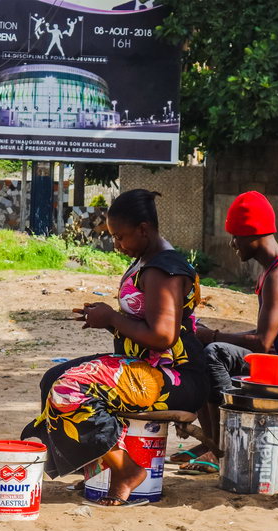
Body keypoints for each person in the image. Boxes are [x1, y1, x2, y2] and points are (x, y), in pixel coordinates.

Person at [21, 189, 208, 506]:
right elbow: (143, 324)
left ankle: (125, 470)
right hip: (145, 368)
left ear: (144, 229)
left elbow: (162, 336)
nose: (117, 245)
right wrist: (106, 319)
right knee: (54, 377)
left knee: (69, 390)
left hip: (172, 378)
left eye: (121, 237)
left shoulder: (163, 269)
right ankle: (95, 468)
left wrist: (112, 317)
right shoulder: (147, 261)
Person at [176, 191, 278, 473]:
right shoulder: (272, 272)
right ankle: (211, 442)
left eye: (236, 236)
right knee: (202, 351)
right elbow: (267, 335)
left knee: (213, 353)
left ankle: (221, 447)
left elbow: (264, 343)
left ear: (254, 234)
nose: (232, 243)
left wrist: (214, 335)